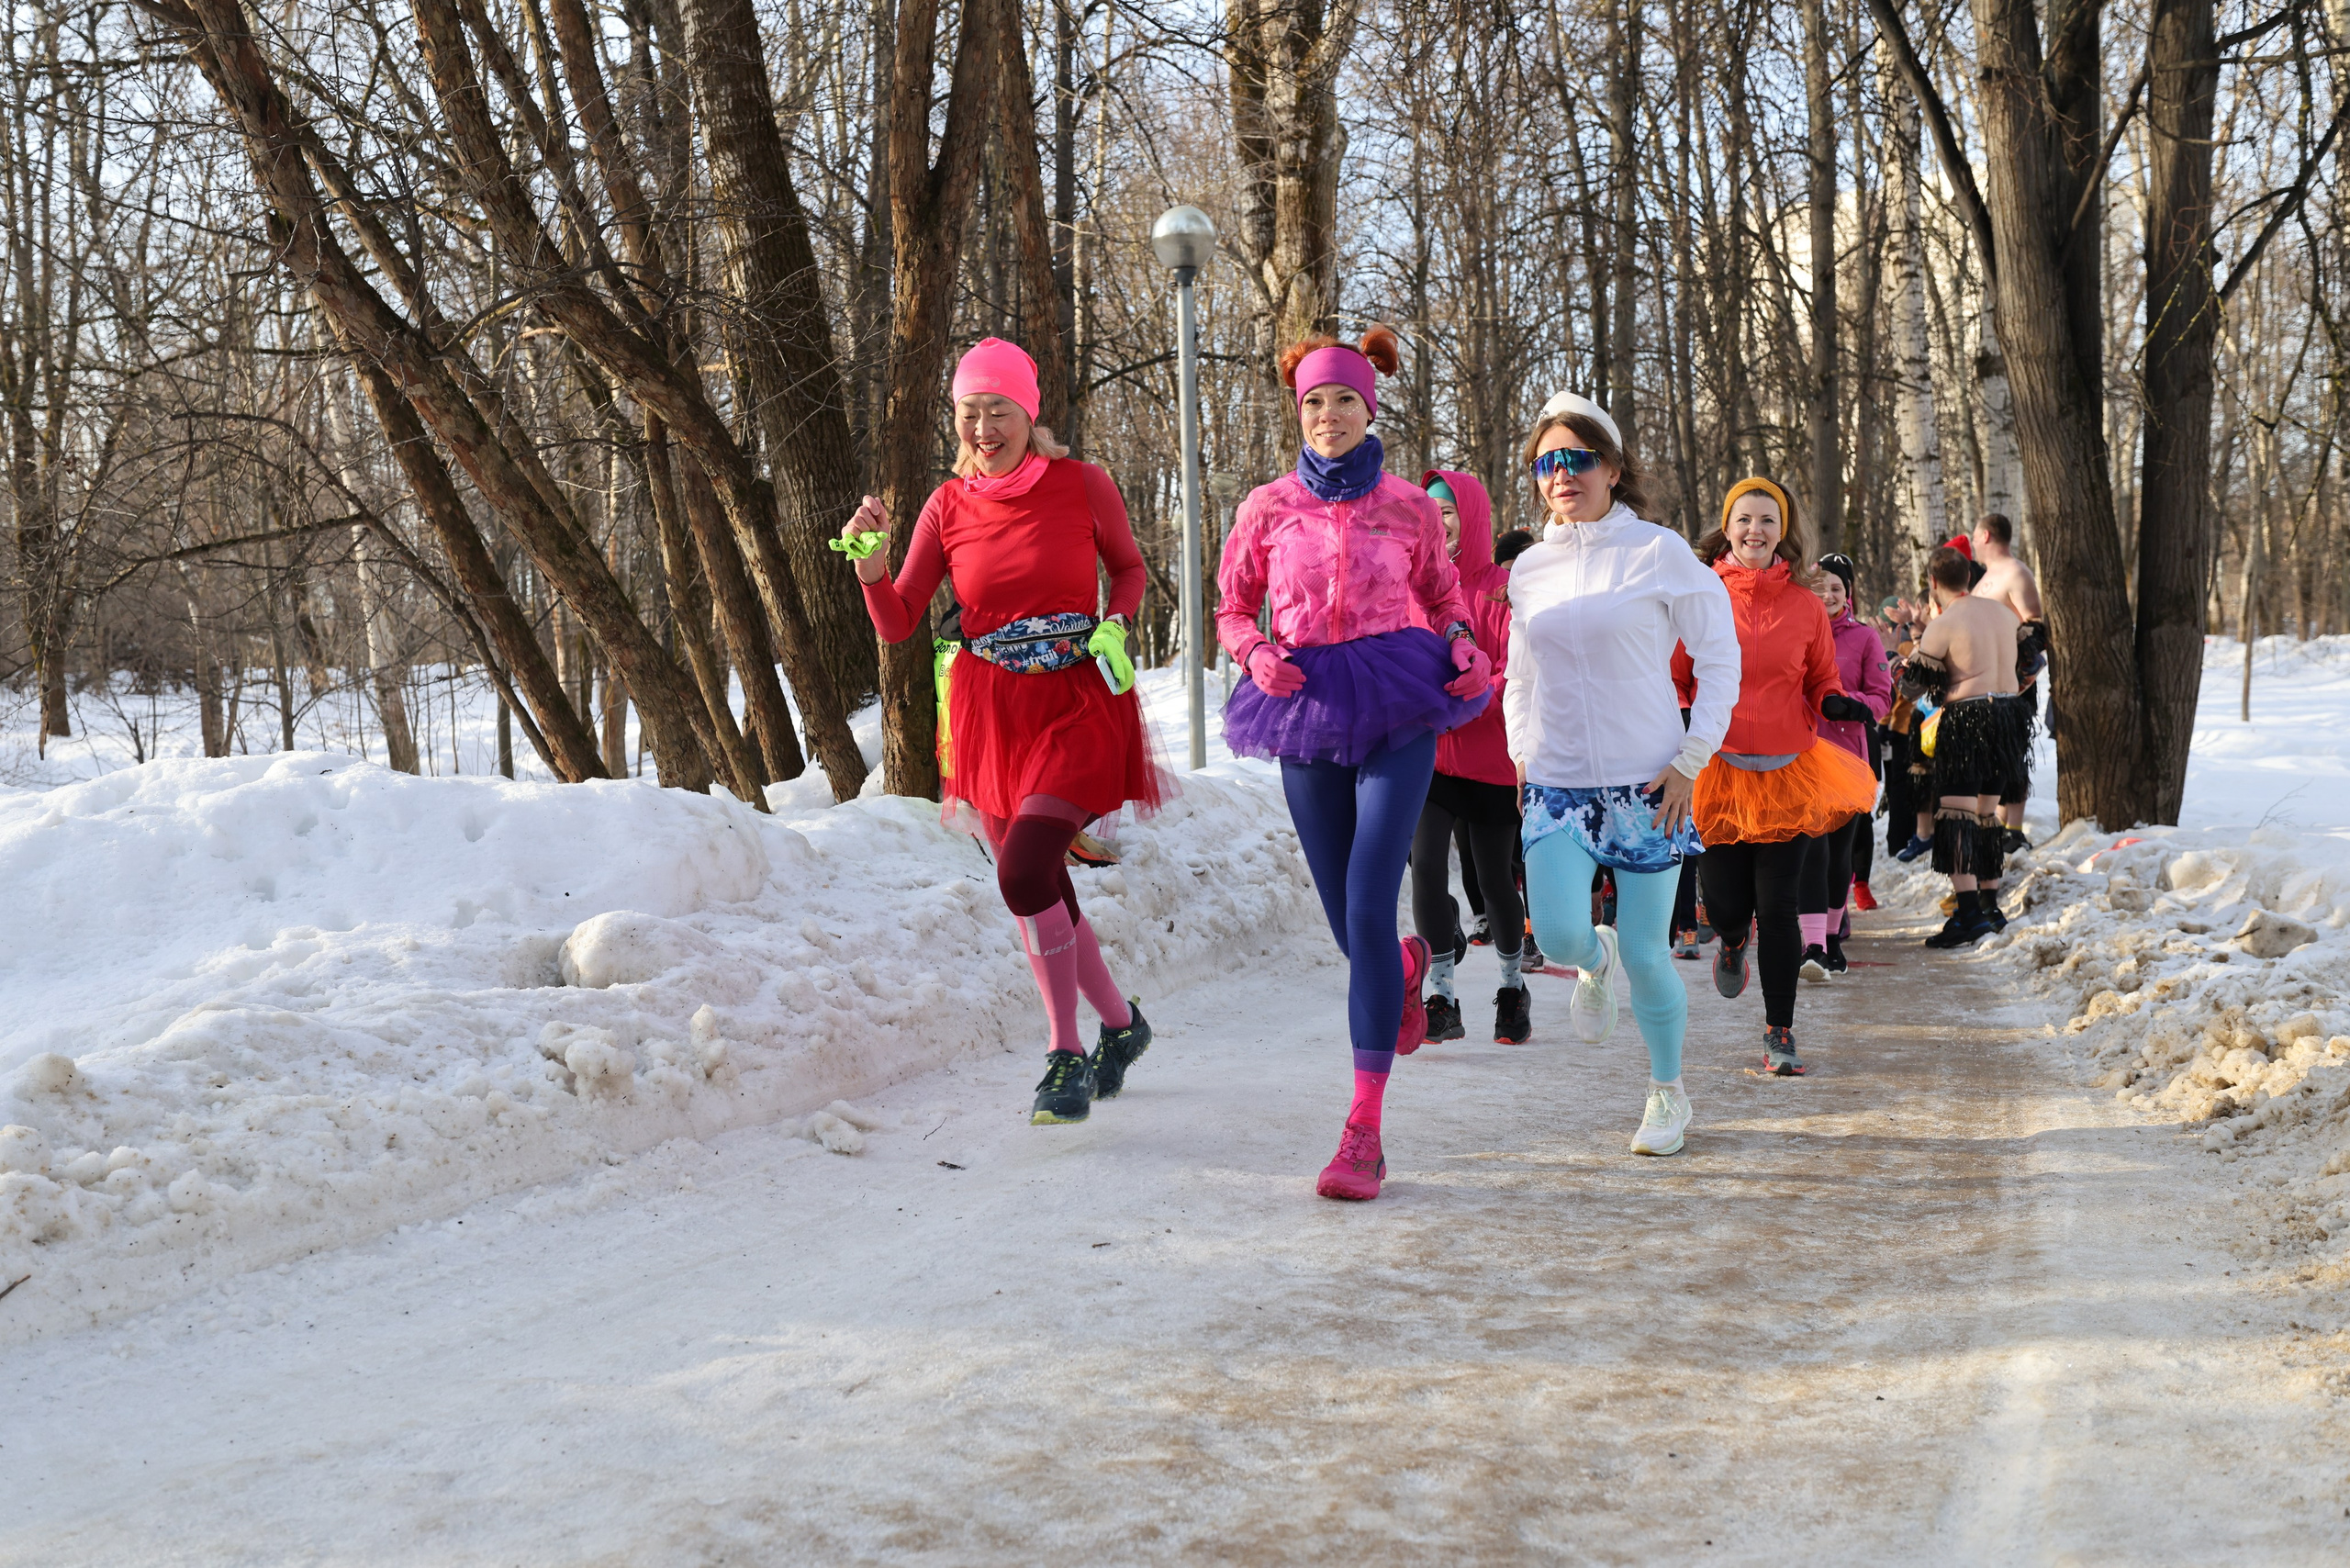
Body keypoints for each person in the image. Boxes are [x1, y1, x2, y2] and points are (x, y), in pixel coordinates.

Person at [843, 338, 1158, 1126]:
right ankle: (1121, 1026)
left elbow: (1129, 568)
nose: (983, 429)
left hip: (1077, 700)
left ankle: (1064, 1052)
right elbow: (898, 621)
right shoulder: (947, 506)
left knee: (1022, 873)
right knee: (1041, 881)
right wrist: (871, 566)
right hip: (991, 715)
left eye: (999, 411)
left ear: (1029, 413)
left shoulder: (1082, 485)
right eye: (970, 413)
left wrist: (1118, 622)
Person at [1216, 326, 1492, 1202]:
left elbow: (1444, 595)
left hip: (1399, 697)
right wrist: (1254, 653)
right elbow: (1231, 609)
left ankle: (1364, 1131)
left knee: (1371, 901)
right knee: (1351, 927)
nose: (1329, 415)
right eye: (1314, 402)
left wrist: (1462, 641)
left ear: (1370, 410)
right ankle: (1405, 968)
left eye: (1345, 400)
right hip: (1303, 702)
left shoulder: (1410, 506)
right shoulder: (1266, 508)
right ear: (1297, 412)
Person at [1506, 392, 1739, 1157]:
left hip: (1649, 784)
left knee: (1648, 953)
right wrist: (1520, 753)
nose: (1561, 474)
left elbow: (1720, 658)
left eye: (1577, 458)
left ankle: (1668, 1092)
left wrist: (1690, 761)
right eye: (1546, 462)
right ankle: (1591, 960)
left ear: (1611, 468)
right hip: (1557, 784)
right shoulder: (1530, 569)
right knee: (1559, 934)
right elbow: (1519, 677)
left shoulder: (1659, 552)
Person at [1673, 479, 1877, 1077]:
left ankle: (1779, 1031)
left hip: (1789, 772)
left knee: (1780, 907)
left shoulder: (1806, 605)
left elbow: (1821, 678)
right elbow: (1677, 676)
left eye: (1767, 520)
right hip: (1720, 771)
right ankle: (1732, 939)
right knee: (1728, 905)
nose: (1755, 530)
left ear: (1781, 530)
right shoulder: (1701, 595)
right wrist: (1682, 714)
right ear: (1728, 526)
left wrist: (1833, 700)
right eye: (1744, 519)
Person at [1409, 467, 1531, 1046]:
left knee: (1494, 879)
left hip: (1491, 759)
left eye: (1449, 511)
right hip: (1430, 758)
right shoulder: (1413, 585)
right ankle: (1441, 995)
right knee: (1427, 867)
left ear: (1473, 517)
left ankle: (1511, 986)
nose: (1438, 522)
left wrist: (1480, 690)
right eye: (1429, 512)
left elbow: (1520, 668)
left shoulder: (1504, 588)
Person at [1899, 544, 2024, 946]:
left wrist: (1905, 665)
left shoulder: (1945, 623)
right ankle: (1988, 905)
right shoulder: (2005, 614)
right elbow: (2032, 664)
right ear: (1969, 577)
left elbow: (1912, 688)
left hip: (1968, 720)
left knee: (1955, 816)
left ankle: (1969, 914)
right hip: (2009, 717)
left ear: (1933, 582)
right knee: (1986, 814)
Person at [1796, 553, 1892, 978]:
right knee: (1811, 851)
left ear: (1848, 592)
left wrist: (1848, 704)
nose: (1828, 595)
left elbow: (1882, 699)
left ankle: (1832, 938)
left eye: (1836, 588)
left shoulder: (1865, 637)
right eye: (1821, 588)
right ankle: (1813, 945)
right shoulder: (1797, 630)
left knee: (1838, 855)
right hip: (1803, 757)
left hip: (1850, 761)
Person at [1969, 513, 2047, 849]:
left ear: (1986, 536)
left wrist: (2014, 673)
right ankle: (1994, 825)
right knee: (1990, 758)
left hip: (2013, 683)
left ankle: (2013, 829)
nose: (1973, 542)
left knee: (2011, 753)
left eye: (1975, 536)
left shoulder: (2016, 572)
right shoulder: (1986, 576)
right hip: (1982, 684)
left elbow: (2036, 625)